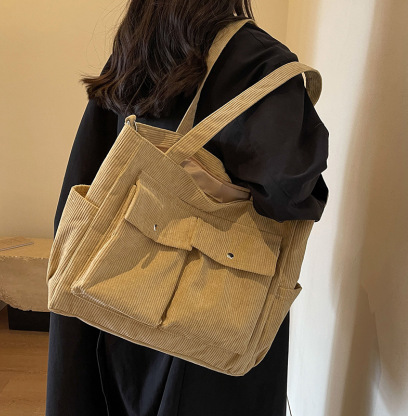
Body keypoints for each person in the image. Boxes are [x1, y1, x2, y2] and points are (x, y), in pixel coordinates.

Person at [45, 1, 329, 415]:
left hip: (115, 284)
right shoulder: (260, 62)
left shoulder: (140, 46)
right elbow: (289, 192)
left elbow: (92, 161)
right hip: (214, 312)